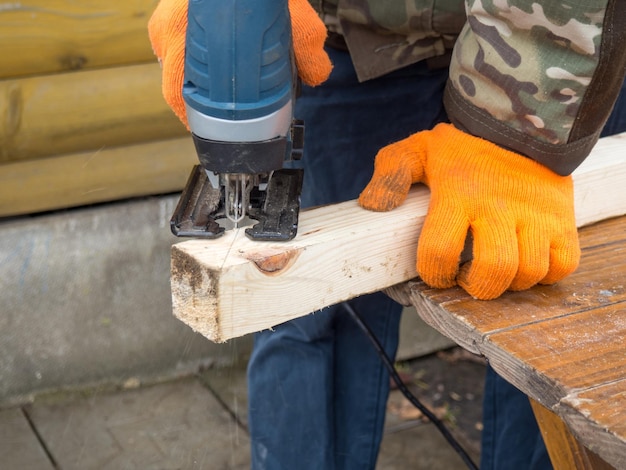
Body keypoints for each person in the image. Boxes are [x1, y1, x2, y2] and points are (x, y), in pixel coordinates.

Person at [149, 1, 626, 469]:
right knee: (305, 305)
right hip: (351, 40)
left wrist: (521, 127)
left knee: (528, 294)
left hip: (558, 62)